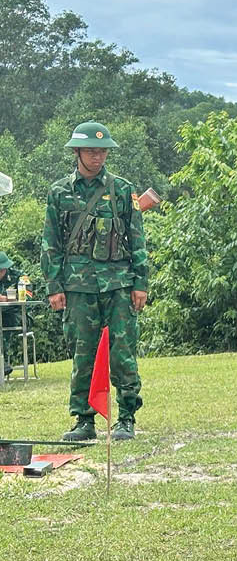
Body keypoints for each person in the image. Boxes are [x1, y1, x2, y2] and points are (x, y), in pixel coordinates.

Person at [41, 122, 148, 441]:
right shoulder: (59, 192)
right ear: (76, 152)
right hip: (77, 287)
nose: (97, 156)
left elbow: (137, 239)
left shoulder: (121, 188)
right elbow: (51, 242)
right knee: (82, 351)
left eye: (102, 150)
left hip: (118, 284)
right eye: (90, 150)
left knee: (123, 350)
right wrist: (53, 285)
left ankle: (126, 416)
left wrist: (140, 282)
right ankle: (84, 420)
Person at [0, 252, 21, 377]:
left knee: (6, 322)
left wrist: (7, 298)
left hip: (15, 314)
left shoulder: (18, 276)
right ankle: (2, 364)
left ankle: (2, 363)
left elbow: (28, 296)